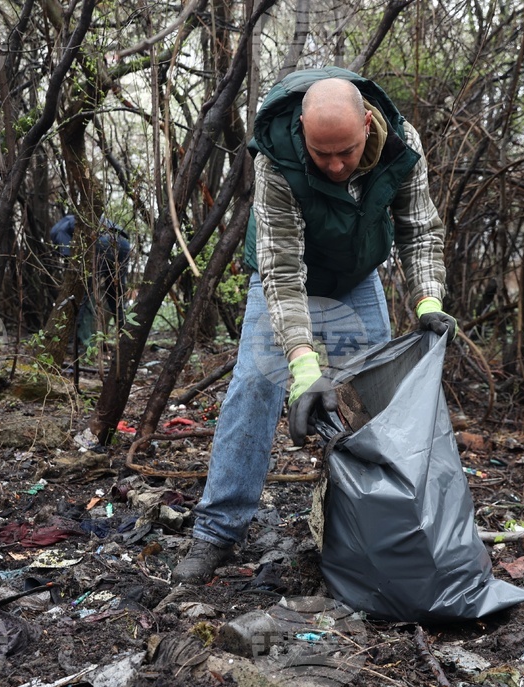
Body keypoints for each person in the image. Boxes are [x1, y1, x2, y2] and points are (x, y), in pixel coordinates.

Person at [171, 67, 456, 584]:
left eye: (345, 151)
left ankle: (369, 530)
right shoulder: (276, 156)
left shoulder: (402, 145)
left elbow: (420, 230)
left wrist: (427, 303)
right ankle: (216, 532)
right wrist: (303, 367)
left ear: (367, 124)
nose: (334, 164)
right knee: (255, 385)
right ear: (302, 128)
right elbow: (281, 272)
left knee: (375, 399)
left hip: (355, 275)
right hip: (287, 276)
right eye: (321, 153)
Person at [49, 214, 131, 351]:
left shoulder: (57, 231)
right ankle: (127, 339)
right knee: (115, 295)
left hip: (101, 242)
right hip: (122, 242)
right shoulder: (75, 219)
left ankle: (70, 342)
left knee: (81, 293)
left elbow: (70, 259)